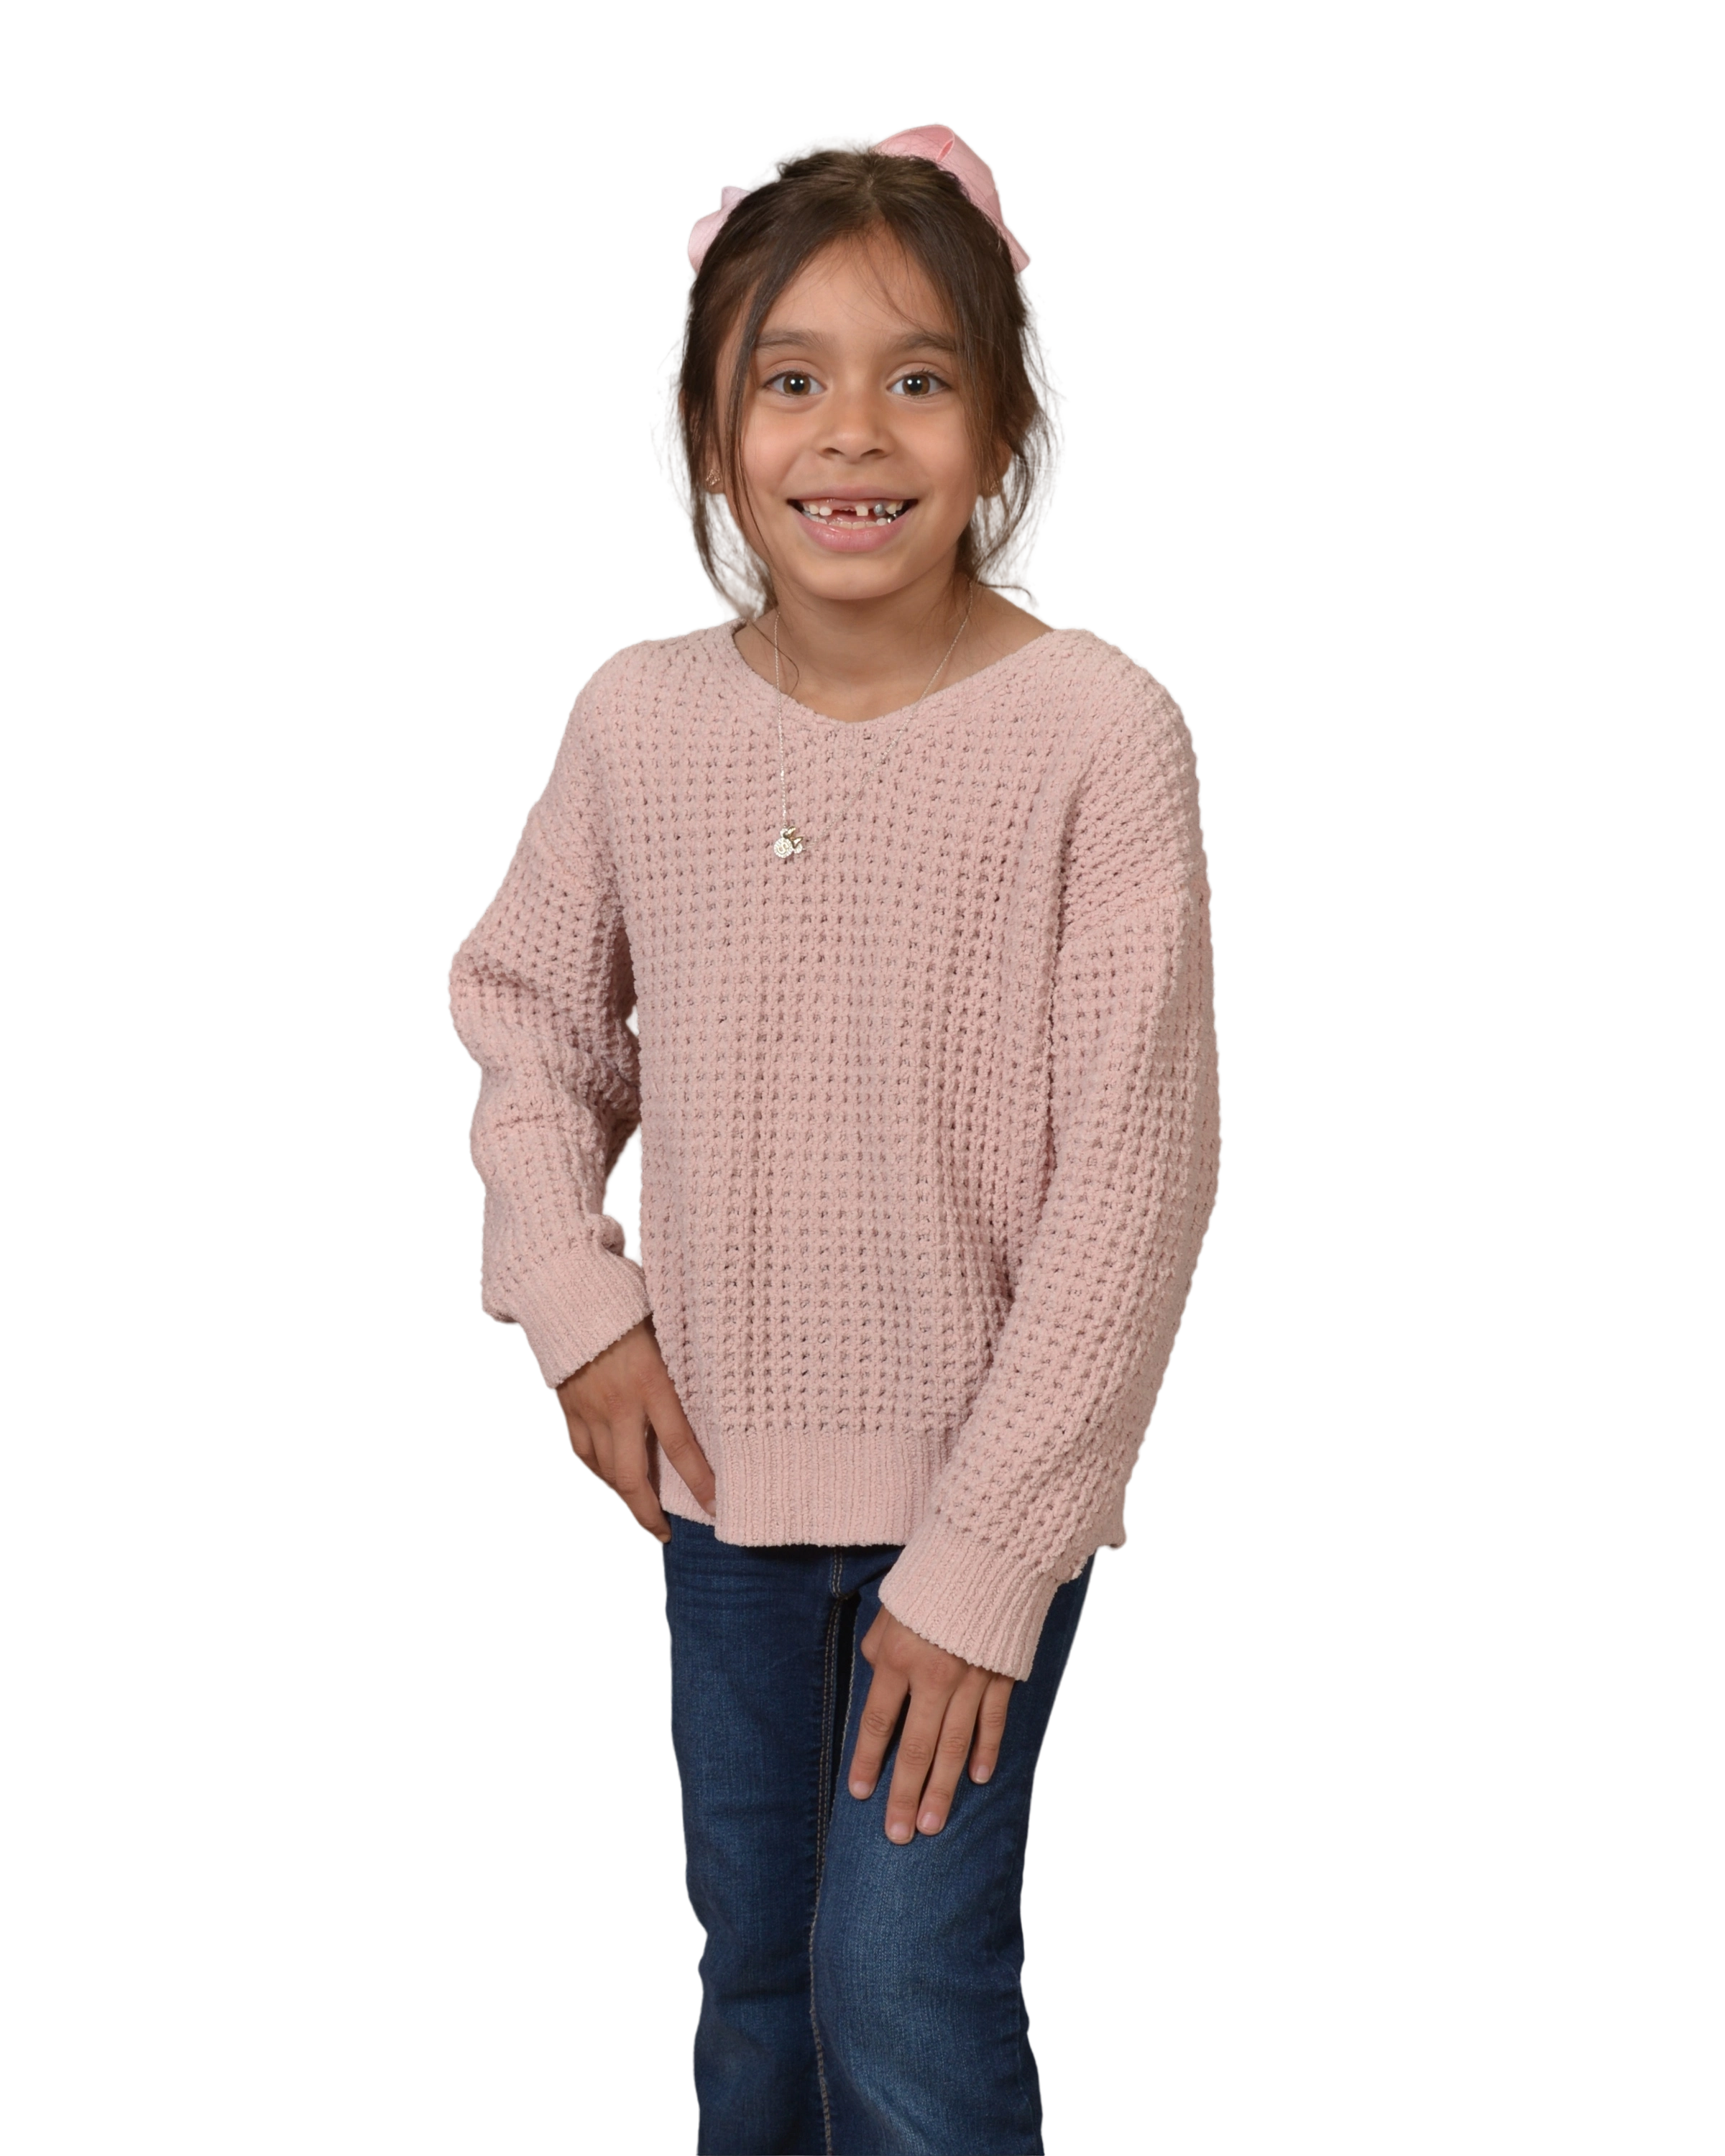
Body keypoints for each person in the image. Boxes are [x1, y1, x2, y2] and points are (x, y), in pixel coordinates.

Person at [444, 123, 1223, 2156]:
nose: (852, 431)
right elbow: (524, 1014)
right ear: (711, 441)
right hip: (723, 1499)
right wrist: (575, 1301)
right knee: (761, 1984)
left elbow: (1136, 1185)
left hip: (975, 1503)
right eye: (790, 378)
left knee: (904, 1987)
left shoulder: (1097, 734)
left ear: (1003, 427)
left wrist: (982, 1567)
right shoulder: (638, 721)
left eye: (920, 375)